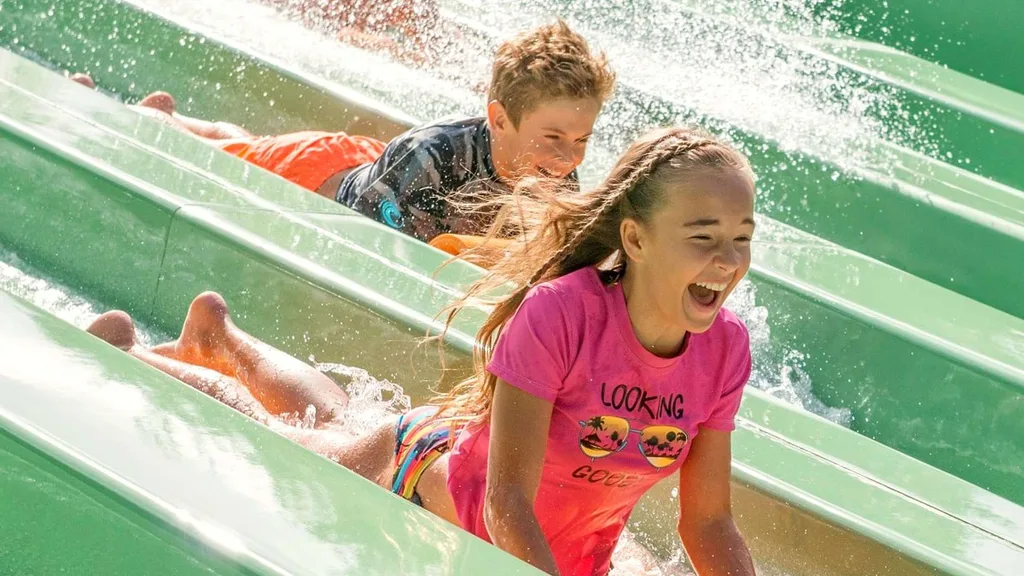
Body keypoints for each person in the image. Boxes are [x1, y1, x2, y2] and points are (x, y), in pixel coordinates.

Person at [88, 125, 758, 575]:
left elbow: (710, 522)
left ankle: (217, 337)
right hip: (436, 485)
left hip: (548, 547)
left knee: (339, 420)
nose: (727, 261)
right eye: (703, 237)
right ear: (635, 239)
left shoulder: (724, 351)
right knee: (285, 441)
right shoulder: (562, 316)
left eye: (742, 238)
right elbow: (506, 504)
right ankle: (135, 354)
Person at [70, 20, 616, 244]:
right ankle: (141, 118)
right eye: (553, 139)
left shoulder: (555, 175)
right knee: (234, 157)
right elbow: (374, 245)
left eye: (582, 141)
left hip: (369, 160)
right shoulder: (429, 155)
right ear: (499, 118)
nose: (569, 158)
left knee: (240, 143)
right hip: (318, 173)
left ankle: (181, 118)